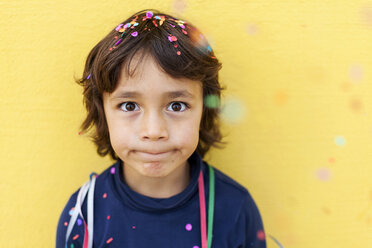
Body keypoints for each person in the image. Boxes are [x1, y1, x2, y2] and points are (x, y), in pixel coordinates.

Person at [56, 8, 266, 248]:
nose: (154, 130)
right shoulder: (82, 214)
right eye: (129, 105)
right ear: (102, 112)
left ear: (204, 111)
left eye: (176, 106)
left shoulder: (235, 209)